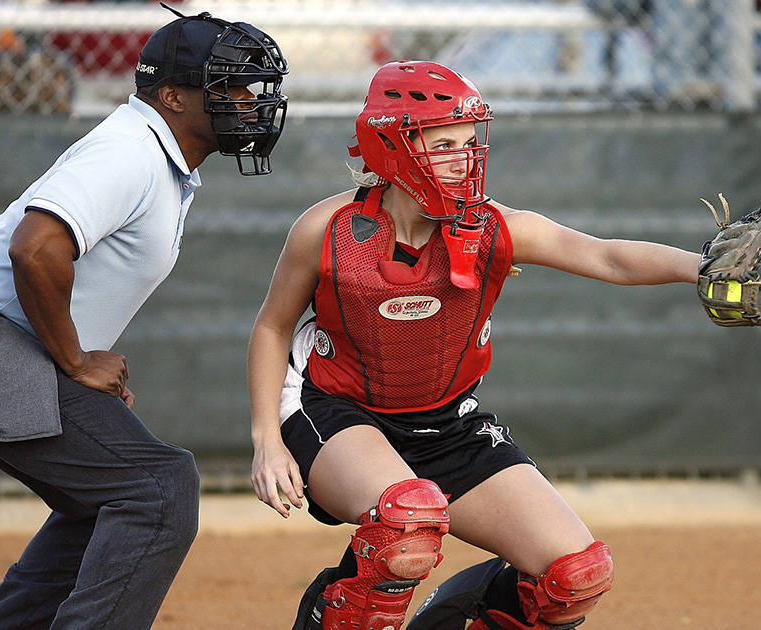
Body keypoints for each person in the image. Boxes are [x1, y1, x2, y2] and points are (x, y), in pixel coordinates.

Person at [248, 60, 702, 630]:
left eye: (468, 143)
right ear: (390, 146)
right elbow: (272, 327)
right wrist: (267, 441)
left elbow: (606, 256)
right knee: (407, 524)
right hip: (339, 412)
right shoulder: (328, 228)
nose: (463, 159)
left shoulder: (491, 225)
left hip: (447, 423)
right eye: (443, 145)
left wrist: (702, 267)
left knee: (573, 576)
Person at [0, 7, 288, 629]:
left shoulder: (153, 153)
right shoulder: (130, 149)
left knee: (106, 499)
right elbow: (35, 249)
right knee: (158, 489)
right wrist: (75, 360)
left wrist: (74, 368)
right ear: (173, 96)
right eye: (233, 86)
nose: (251, 101)